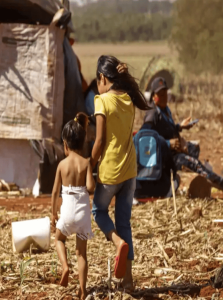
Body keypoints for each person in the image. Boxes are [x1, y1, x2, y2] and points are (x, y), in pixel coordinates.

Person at [90, 55, 150, 290]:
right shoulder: (128, 99)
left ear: (103, 78)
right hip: (130, 172)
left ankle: (116, 243)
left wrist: (89, 164)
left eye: (98, 81)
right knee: (124, 222)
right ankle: (128, 281)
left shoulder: (101, 100)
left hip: (110, 171)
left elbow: (99, 141)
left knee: (98, 211)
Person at [140, 77, 223, 196]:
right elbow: (145, 139)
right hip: (164, 159)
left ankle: (205, 179)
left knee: (194, 149)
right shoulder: (152, 113)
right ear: (153, 96)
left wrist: (179, 127)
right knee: (194, 163)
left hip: (173, 152)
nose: (164, 97)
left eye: (165, 93)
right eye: (160, 94)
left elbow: (165, 130)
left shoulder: (165, 110)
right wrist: (168, 144)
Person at [51, 112, 95, 300]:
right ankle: (83, 290)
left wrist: (53, 212)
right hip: (83, 215)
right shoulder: (86, 163)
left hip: (67, 212)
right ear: (83, 143)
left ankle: (65, 266)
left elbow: (54, 192)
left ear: (66, 145)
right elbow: (91, 188)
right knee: (81, 253)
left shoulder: (62, 165)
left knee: (59, 240)